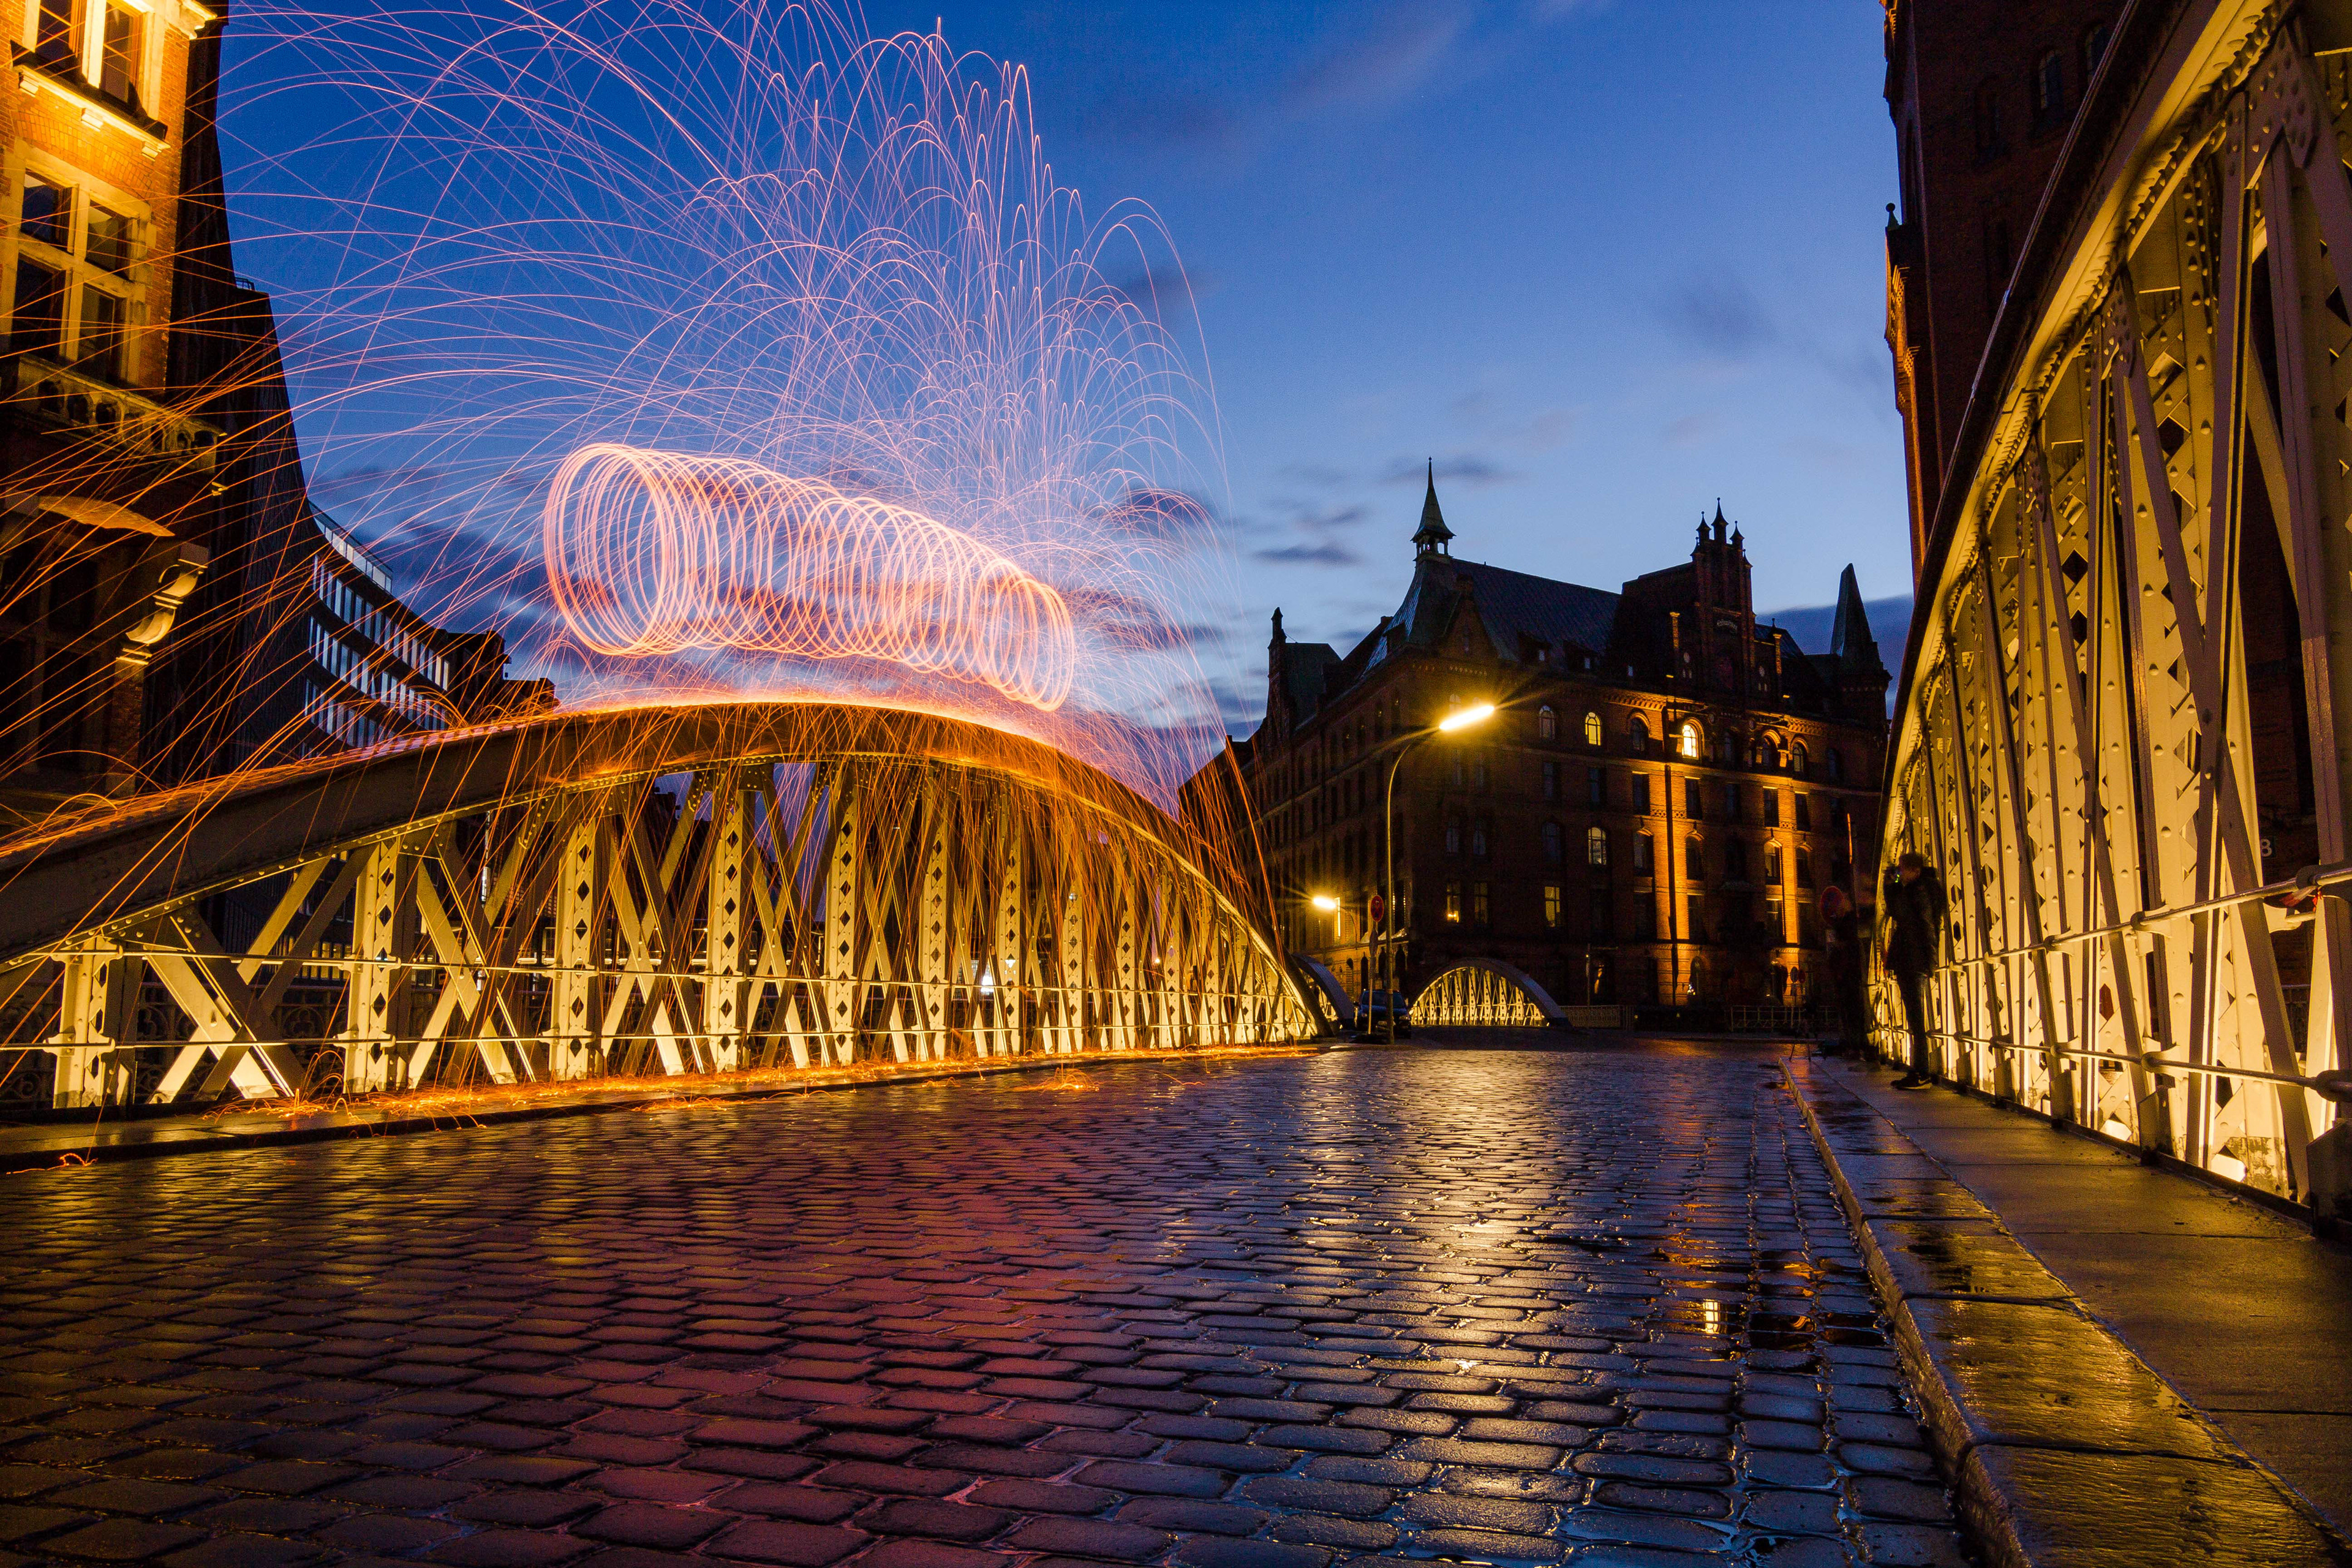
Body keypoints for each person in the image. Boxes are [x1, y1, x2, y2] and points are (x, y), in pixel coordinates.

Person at [1882, 850, 1946, 1090]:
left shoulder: (1919, 892)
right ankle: (1918, 1072)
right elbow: (1898, 912)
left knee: (1917, 1020)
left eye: (1902, 868)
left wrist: (1930, 962)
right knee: (1914, 1019)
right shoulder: (1915, 891)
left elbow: (1925, 926)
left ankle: (1922, 1073)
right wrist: (1894, 886)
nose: (1899, 872)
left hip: (1913, 960)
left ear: (1914, 871)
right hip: (1911, 959)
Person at [1819, 884, 1864, 1057]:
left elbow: (1847, 949)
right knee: (1848, 1011)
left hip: (1847, 974)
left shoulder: (1849, 923)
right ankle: (1851, 1044)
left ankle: (1854, 1045)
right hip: (1844, 973)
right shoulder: (1845, 923)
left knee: (1851, 1011)